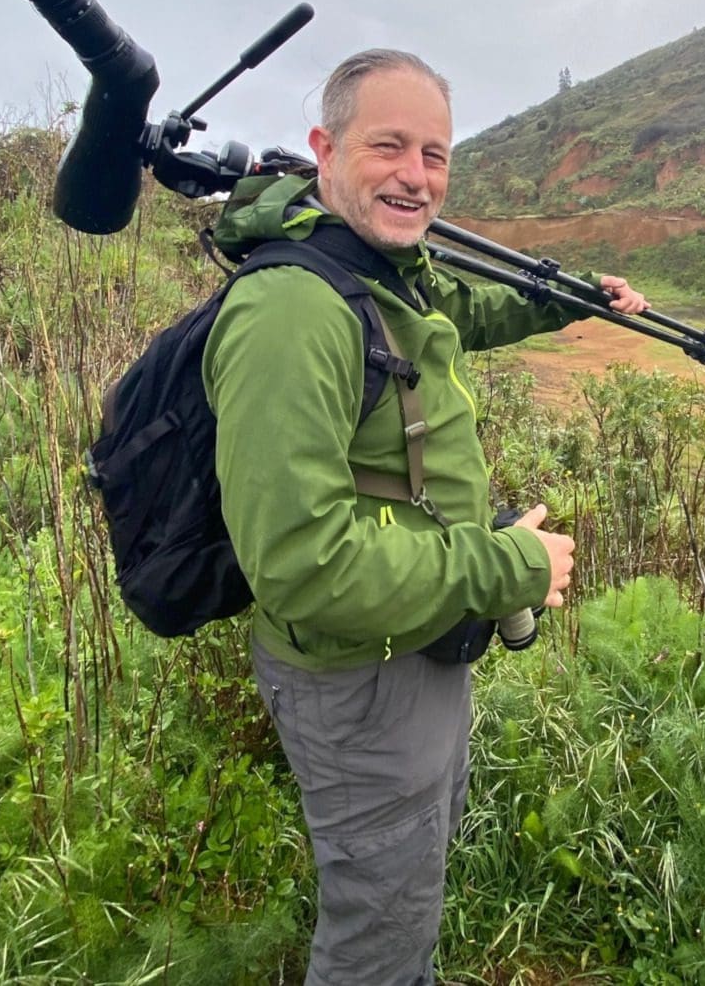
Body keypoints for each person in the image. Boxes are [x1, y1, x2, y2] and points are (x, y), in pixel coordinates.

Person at [202, 49, 648, 984]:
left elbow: (461, 312)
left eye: (436, 154)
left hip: (414, 645)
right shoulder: (291, 311)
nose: (416, 175)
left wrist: (565, 304)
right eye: (389, 146)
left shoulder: (377, 265)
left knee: (408, 891)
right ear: (325, 148)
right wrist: (506, 568)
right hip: (357, 677)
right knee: (379, 940)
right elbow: (303, 565)